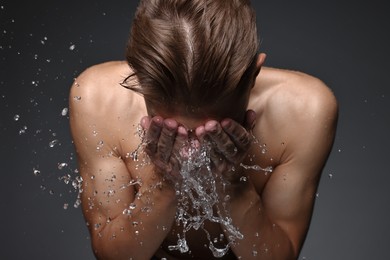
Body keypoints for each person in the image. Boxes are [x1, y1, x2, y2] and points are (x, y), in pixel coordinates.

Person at [69, 0, 338, 259]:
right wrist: (165, 183)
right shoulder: (97, 98)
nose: (193, 147)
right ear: (139, 77)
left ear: (252, 76)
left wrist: (233, 185)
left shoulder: (305, 109)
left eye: (214, 130)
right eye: (172, 131)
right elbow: (113, 256)